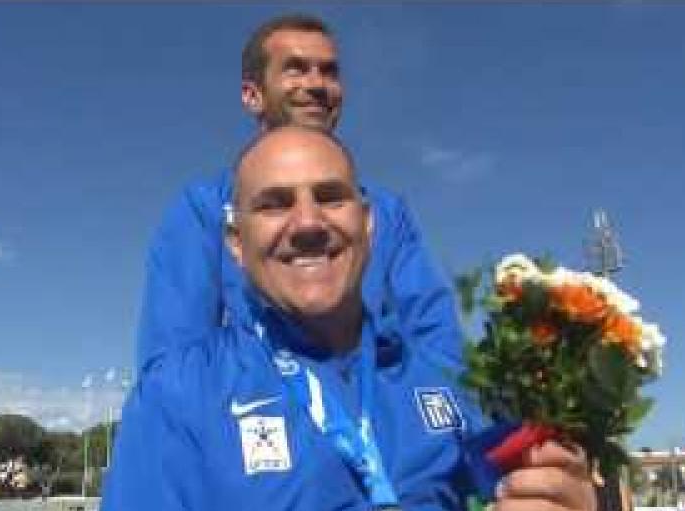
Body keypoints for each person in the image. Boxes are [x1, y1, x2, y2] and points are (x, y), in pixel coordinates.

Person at [81, 126, 620, 511]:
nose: (308, 222)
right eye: (274, 203)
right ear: (236, 245)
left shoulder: (455, 384)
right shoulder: (179, 396)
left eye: (331, 196)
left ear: (369, 223)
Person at [134, 13, 463, 380]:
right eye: (296, 69)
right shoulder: (203, 208)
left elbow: (438, 347)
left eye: (329, 71)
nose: (316, 84)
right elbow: (172, 366)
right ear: (252, 95)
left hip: (380, 429)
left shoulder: (387, 213)